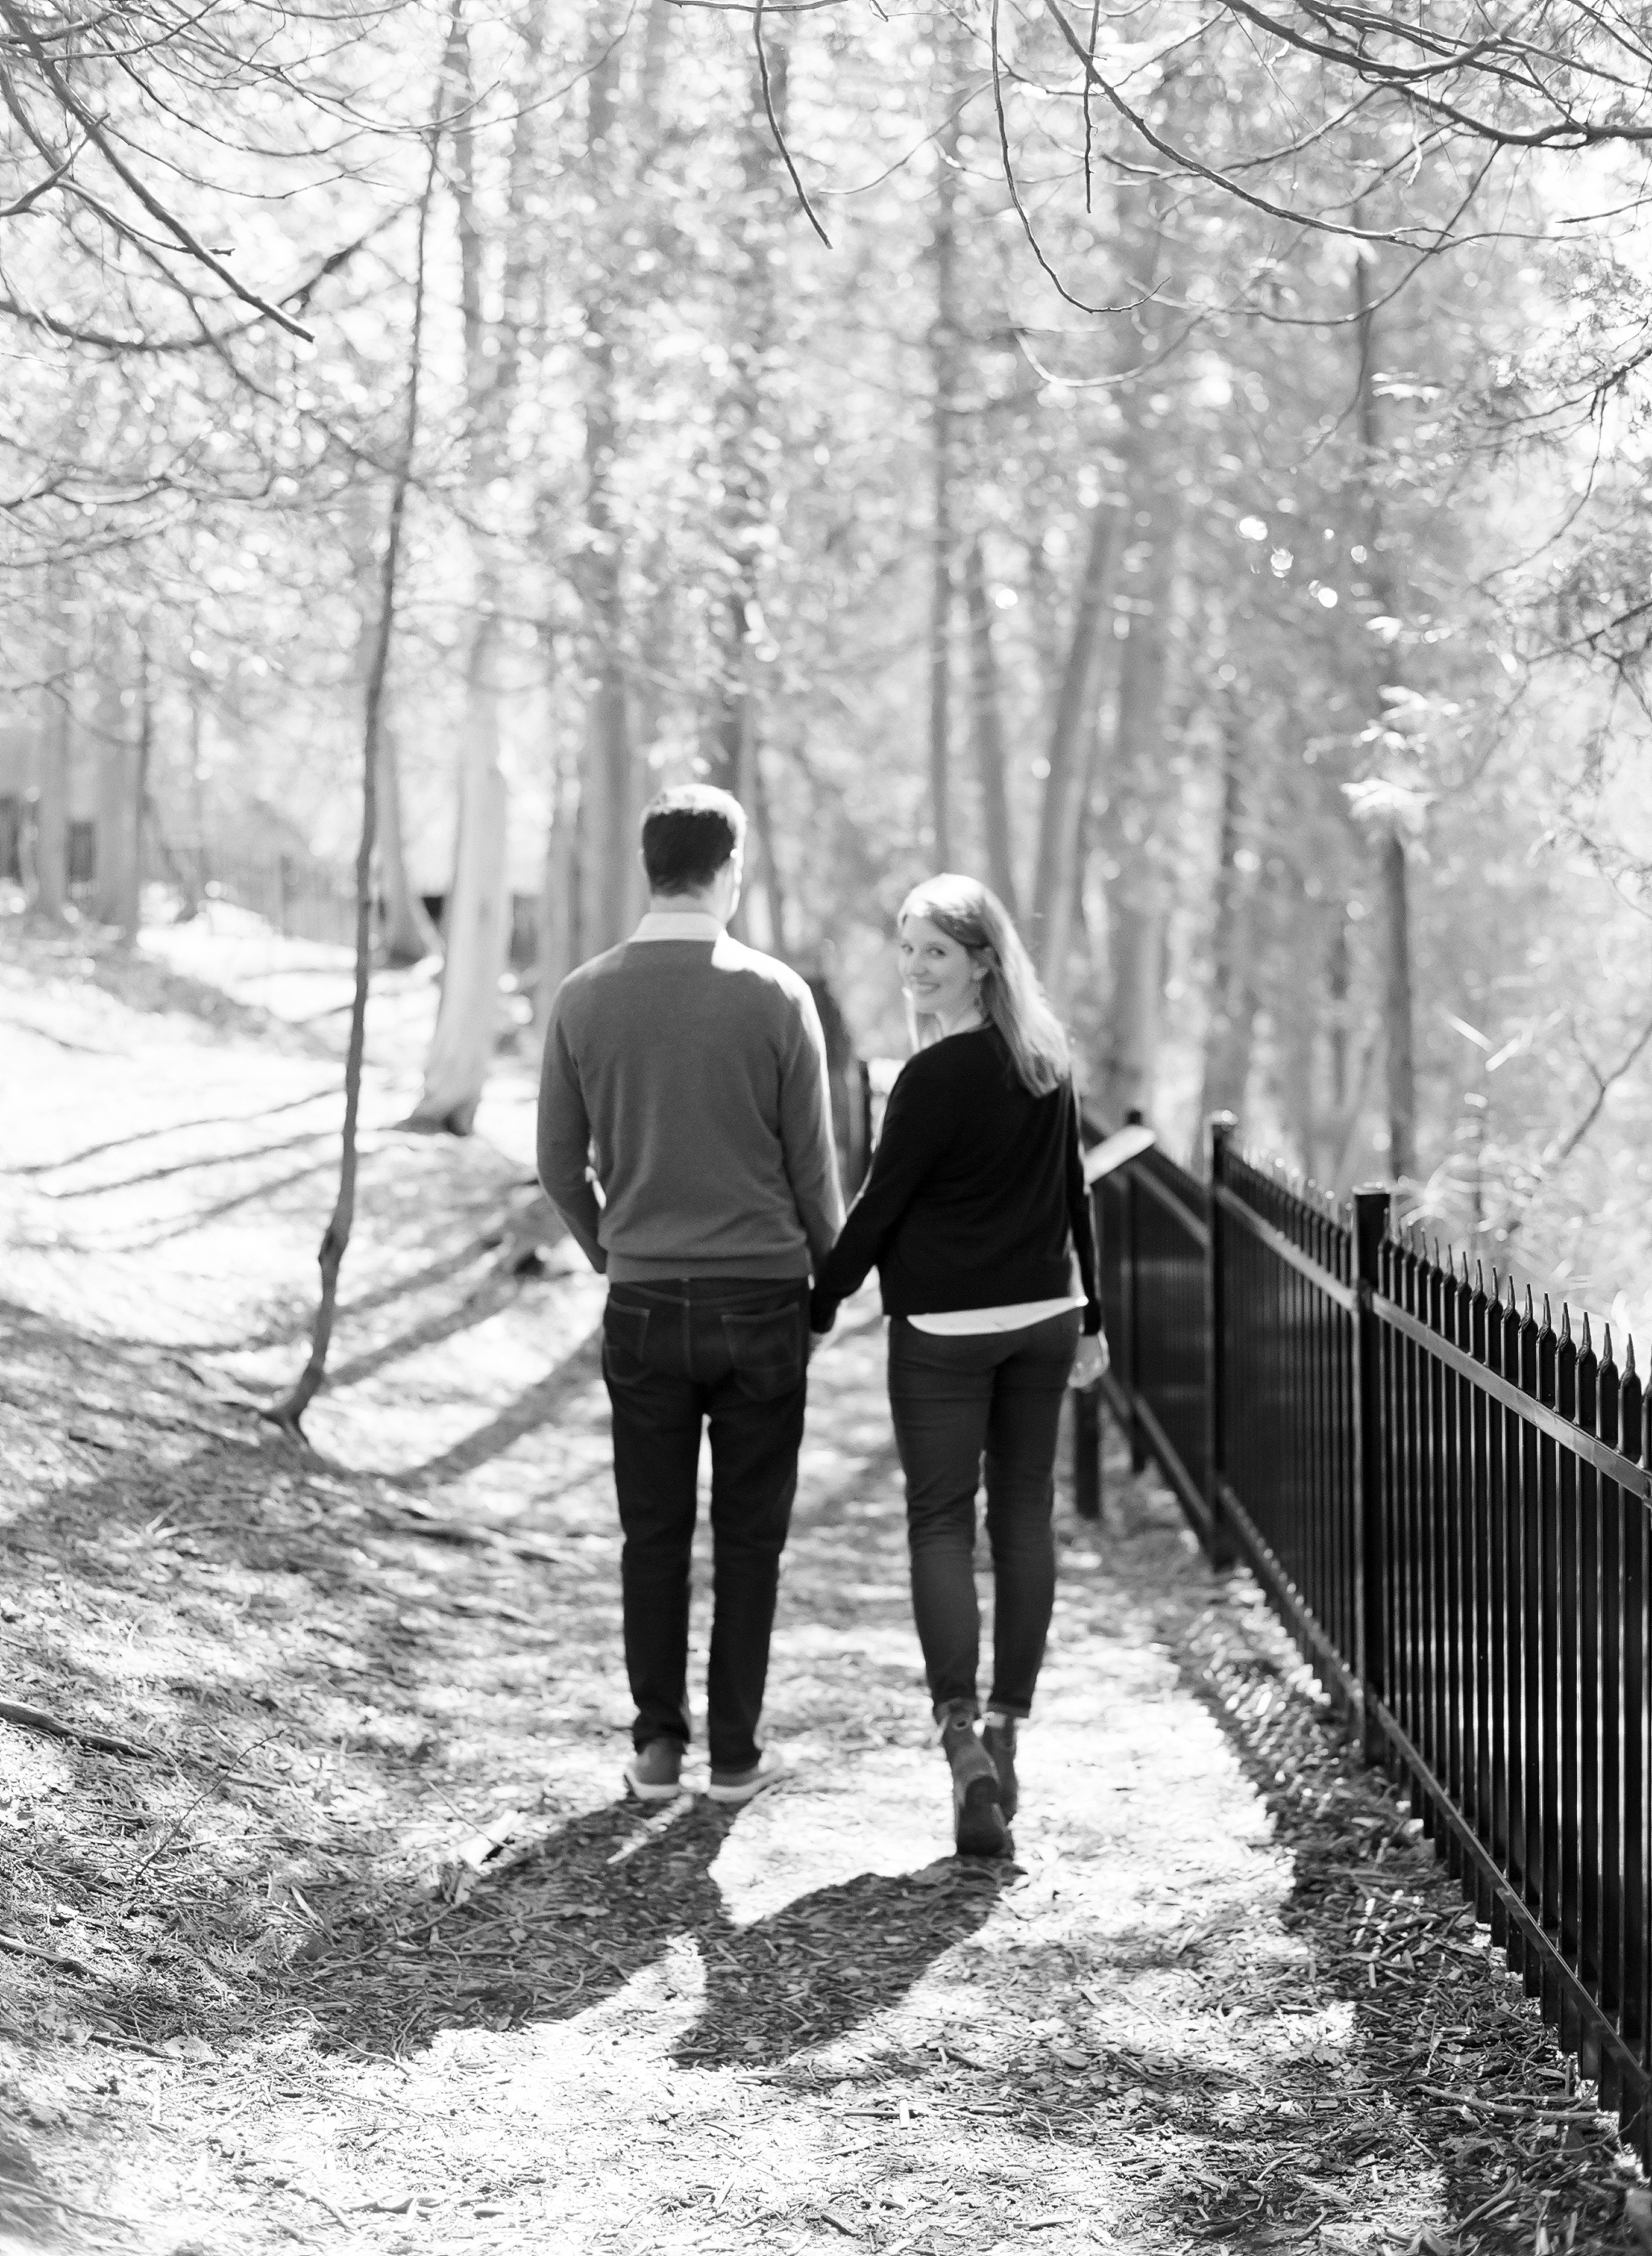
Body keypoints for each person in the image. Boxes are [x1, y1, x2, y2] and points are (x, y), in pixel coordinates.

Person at [538, 786, 845, 1806]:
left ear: (647, 865)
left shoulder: (584, 996)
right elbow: (812, 1174)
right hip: (760, 1300)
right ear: (727, 868)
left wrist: (606, 1247)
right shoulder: (774, 995)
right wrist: (827, 1287)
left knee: (653, 1534)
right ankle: (734, 1756)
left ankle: (657, 1748)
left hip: (643, 1300)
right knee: (749, 1539)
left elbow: (555, 1162)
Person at [808, 875, 1106, 1857]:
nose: (913, 967)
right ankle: (1005, 1726)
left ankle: (961, 1733)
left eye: (934, 949)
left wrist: (817, 1304)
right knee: (1021, 1515)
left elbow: (877, 1206)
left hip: (944, 1330)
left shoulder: (931, 1079)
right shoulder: (1045, 1061)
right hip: (1042, 1322)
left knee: (941, 1519)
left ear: (983, 959)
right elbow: (1075, 1196)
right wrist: (1091, 1318)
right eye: (904, 948)